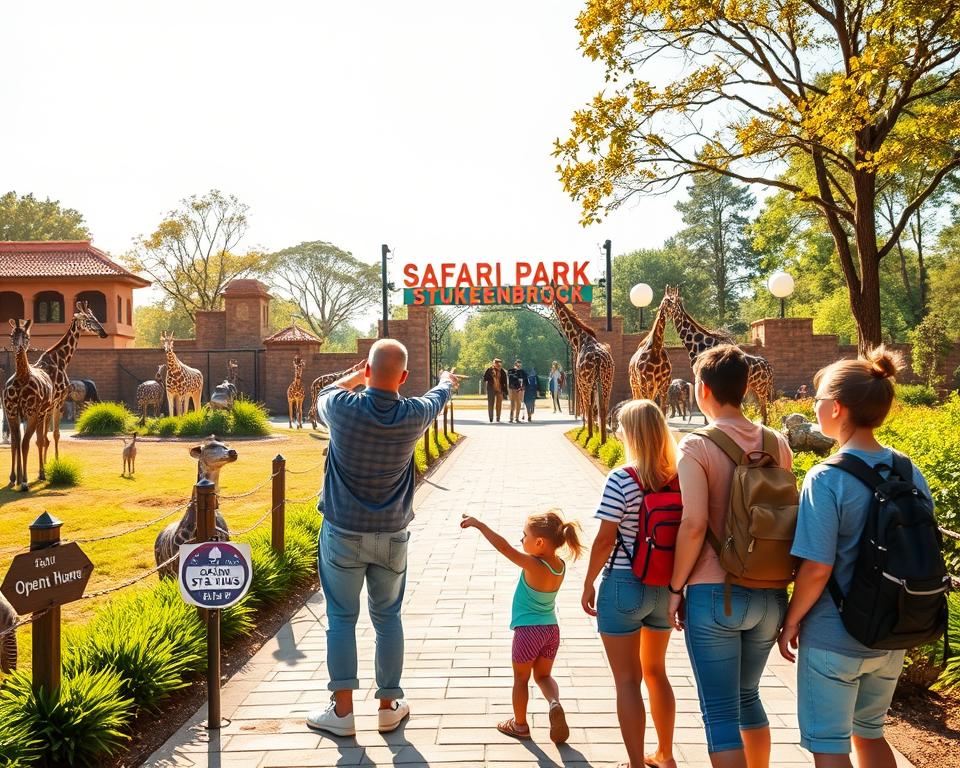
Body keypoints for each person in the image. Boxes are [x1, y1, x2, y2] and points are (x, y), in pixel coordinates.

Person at [778, 348, 929, 767]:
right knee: (871, 734)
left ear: (836, 407)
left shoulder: (826, 477)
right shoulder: (907, 470)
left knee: (830, 745)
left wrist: (792, 621)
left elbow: (817, 566)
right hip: (891, 632)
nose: (814, 406)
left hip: (835, 636)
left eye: (818, 398)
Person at [307, 339, 462, 737]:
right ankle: (388, 707)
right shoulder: (414, 415)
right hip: (392, 535)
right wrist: (445, 379)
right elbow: (439, 396)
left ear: (368, 371)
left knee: (341, 618)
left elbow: (324, 392)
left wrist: (353, 378)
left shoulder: (343, 408)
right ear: (404, 377)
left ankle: (342, 713)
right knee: (388, 618)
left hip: (342, 532)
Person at [666, 344, 793, 768]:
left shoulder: (696, 446)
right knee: (748, 696)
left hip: (715, 592)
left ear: (703, 389)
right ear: (745, 387)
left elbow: (694, 523)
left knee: (720, 713)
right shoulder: (777, 443)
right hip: (771, 593)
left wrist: (675, 588)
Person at [582, 399, 678, 768]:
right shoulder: (678, 477)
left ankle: (637, 763)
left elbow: (605, 539)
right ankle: (665, 755)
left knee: (627, 680)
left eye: (621, 426)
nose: (618, 431)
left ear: (632, 433)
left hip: (624, 584)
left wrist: (588, 582)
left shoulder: (622, 478)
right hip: (663, 586)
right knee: (656, 672)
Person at [461, 510, 584, 744]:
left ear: (540, 542)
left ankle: (519, 725)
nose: (521, 539)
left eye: (525, 535)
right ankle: (554, 703)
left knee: (521, 679)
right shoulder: (559, 566)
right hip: (551, 630)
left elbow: (504, 548)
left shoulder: (533, 564)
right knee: (544, 676)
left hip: (528, 631)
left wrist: (480, 525)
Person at [482, 357, 508, 423]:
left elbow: (505, 382)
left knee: (499, 404)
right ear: (494, 364)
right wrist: (491, 376)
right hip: (491, 389)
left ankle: (498, 417)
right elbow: (484, 379)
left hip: (499, 389)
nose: (498, 365)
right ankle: (491, 417)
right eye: (496, 363)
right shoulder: (489, 370)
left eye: (499, 364)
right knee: (491, 404)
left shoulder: (502, 371)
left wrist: (505, 391)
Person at [508, 359, 526, 423]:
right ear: (515, 364)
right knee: (512, 403)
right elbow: (511, 377)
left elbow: (525, 379)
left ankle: (517, 418)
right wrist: (516, 371)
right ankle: (511, 418)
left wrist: (523, 386)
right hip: (512, 389)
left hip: (520, 390)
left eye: (520, 364)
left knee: (519, 403)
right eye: (517, 364)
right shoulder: (511, 370)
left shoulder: (522, 372)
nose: (519, 366)